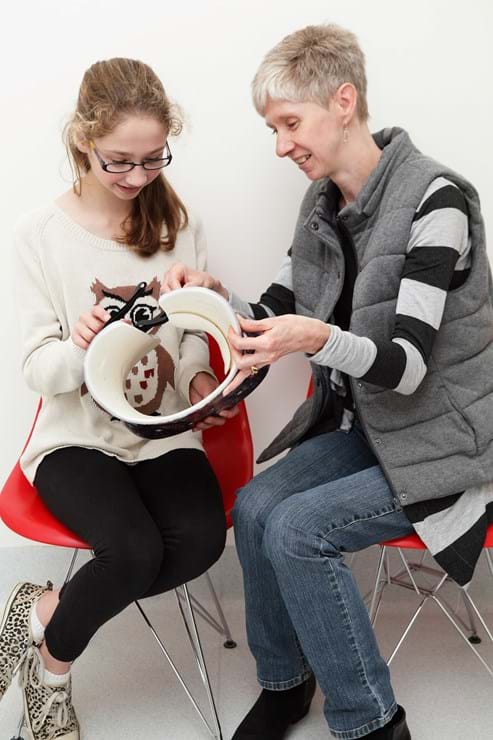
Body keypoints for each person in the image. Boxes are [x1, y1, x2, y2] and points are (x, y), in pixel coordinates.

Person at [162, 23, 493, 740]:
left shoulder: (437, 202)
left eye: (289, 123)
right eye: (272, 129)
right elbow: (273, 315)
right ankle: (285, 685)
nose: (281, 145)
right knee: (256, 505)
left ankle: (370, 721)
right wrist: (210, 300)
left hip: (445, 442)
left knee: (297, 530)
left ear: (343, 102)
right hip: (374, 432)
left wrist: (315, 339)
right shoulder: (321, 205)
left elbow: (404, 366)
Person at [0, 58, 238, 740]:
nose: (137, 177)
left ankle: (40, 612)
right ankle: (52, 676)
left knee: (200, 542)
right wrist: (80, 346)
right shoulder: (38, 235)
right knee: (132, 552)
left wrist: (199, 383)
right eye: (120, 162)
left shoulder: (179, 225)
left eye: (153, 159)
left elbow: (188, 337)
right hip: (75, 438)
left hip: (163, 433)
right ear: (84, 139)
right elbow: (38, 370)